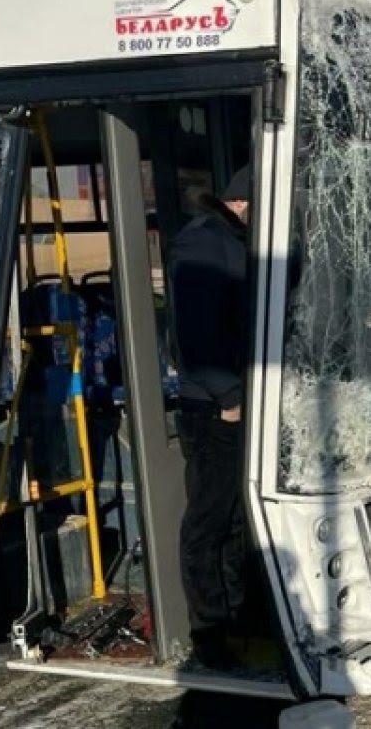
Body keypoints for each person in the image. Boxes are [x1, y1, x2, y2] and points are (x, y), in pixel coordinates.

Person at [167, 167, 252, 668]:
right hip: (214, 407)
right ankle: (210, 633)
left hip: (240, 398)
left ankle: (238, 618)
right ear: (242, 202)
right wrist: (227, 397)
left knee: (237, 516)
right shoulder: (202, 244)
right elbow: (196, 332)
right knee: (209, 519)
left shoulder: (231, 240)